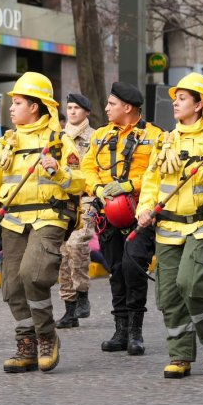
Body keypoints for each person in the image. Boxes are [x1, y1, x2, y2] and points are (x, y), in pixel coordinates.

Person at [0, 72, 85, 374]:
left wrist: (58, 171)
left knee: (32, 274)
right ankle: (27, 343)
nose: (11, 108)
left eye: (18, 102)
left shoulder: (60, 143)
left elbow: (80, 183)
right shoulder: (5, 144)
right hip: (12, 222)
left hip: (48, 218)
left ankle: (47, 336)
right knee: (11, 286)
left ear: (35, 106)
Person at [136, 73, 203, 378]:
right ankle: (180, 355)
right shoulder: (165, 140)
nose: (176, 103)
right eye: (176, 98)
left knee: (190, 282)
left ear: (198, 104)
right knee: (168, 295)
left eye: (182, 98)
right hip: (168, 227)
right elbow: (152, 181)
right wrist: (144, 209)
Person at [81, 82, 164, 356]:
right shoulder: (101, 136)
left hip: (140, 215)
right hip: (108, 214)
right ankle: (121, 330)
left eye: (111, 104)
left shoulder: (156, 136)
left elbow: (159, 172)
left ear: (127, 107)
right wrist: (97, 190)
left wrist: (130, 185)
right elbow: (88, 168)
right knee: (116, 269)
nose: (105, 108)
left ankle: (136, 332)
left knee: (133, 267)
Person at [56, 93, 95, 328]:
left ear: (86, 112)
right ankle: (69, 308)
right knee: (61, 251)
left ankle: (82, 292)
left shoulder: (94, 137)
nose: (71, 112)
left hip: (87, 199)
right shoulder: (58, 137)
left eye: (77, 108)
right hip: (64, 199)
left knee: (76, 244)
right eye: (69, 107)